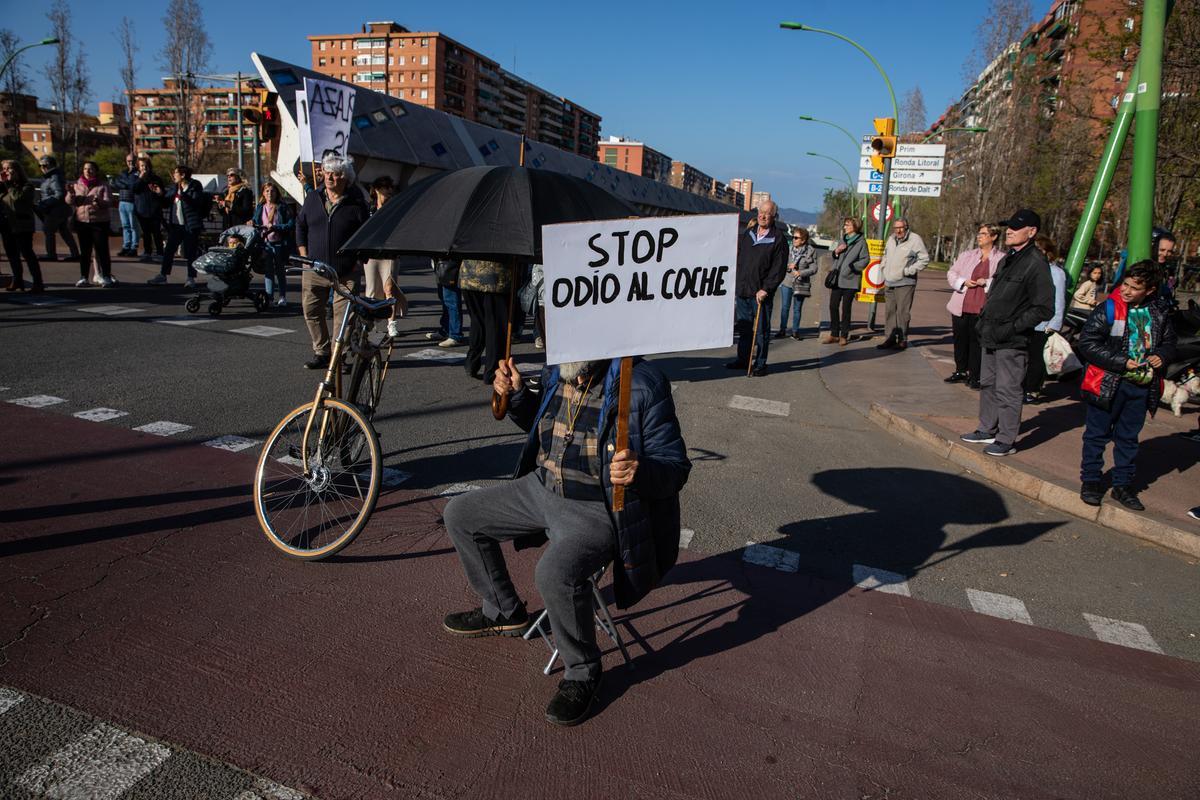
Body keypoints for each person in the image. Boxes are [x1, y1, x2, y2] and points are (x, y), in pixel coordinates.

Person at [442, 355, 691, 726]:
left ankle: (583, 671)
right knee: (460, 514)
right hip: (542, 488)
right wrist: (518, 396)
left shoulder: (641, 383)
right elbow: (544, 428)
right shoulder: (559, 368)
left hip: (596, 507)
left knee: (554, 572)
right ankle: (503, 611)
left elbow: (674, 467)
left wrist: (638, 469)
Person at [1077, 260, 1176, 511]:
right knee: (1096, 435)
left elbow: (1170, 342)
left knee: (1128, 438)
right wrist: (1122, 362)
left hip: (1140, 387)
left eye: (1134, 287)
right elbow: (1087, 343)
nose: (1127, 290)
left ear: (1150, 290)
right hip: (1107, 383)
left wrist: (1162, 355)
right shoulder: (1109, 307)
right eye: (1126, 284)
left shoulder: (1160, 311)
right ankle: (1090, 481)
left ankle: (1122, 485)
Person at [959, 209, 1055, 457]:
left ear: (1031, 232)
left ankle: (1006, 439)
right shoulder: (1008, 259)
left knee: (1008, 388)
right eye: (1008, 226)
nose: (1009, 231)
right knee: (988, 384)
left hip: (1012, 339)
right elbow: (995, 296)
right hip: (990, 333)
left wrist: (1013, 326)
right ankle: (986, 429)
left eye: (1015, 227)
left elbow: (1044, 307)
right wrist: (984, 322)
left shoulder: (1036, 262)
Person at [295, 154, 370, 370]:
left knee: (344, 317)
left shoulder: (356, 203)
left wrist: (359, 260)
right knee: (311, 311)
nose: (330, 178)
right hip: (314, 269)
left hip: (345, 271)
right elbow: (301, 226)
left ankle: (340, 356)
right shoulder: (313, 198)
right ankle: (322, 352)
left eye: (336, 174)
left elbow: (366, 233)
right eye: (327, 173)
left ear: (345, 178)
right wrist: (304, 255)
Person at [728, 201, 787, 376]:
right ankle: (743, 360)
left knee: (761, 331)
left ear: (773, 216)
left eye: (767, 213)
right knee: (745, 328)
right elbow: (739, 258)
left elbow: (778, 269)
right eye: (761, 212)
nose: (762, 216)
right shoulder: (749, 233)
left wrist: (766, 289)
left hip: (760, 294)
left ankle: (760, 363)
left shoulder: (778, 239)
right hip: (743, 290)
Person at [945, 223, 1003, 386]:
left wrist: (987, 282)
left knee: (977, 341)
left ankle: (975, 375)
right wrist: (963, 282)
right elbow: (951, 272)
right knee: (960, 339)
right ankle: (960, 370)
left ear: (994, 236)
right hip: (962, 304)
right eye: (979, 233)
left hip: (983, 306)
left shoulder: (1001, 258)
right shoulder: (967, 255)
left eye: (983, 234)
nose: (979, 236)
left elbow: (1002, 280)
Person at [1022, 235, 1068, 404]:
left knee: (1037, 358)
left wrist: (1054, 324)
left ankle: (1032, 389)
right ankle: (1022, 386)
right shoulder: (1028, 268)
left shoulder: (1056, 273)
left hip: (1043, 324)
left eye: (1039, 250)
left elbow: (1059, 300)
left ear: (1048, 252)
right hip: (1025, 320)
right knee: (1023, 357)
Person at [362, 175, 408, 335]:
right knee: (372, 291)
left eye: (390, 188)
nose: (388, 191)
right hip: (371, 254)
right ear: (376, 190)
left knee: (390, 288)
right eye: (385, 188)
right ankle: (372, 323)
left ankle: (392, 323)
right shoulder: (369, 209)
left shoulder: (396, 208)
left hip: (390, 254)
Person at [876, 217, 930, 351]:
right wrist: (884, 266)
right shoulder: (891, 239)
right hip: (889, 281)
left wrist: (907, 271)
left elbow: (924, 259)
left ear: (906, 227)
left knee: (902, 313)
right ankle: (889, 338)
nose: (898, 231)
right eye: (896, 228)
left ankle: (902, 339)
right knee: (889, 312)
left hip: (905, 282)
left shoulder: (915, 239)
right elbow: (886, 255)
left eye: (901, 228)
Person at [147, 165, 206, 288]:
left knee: (190, 253)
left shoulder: (195, 186)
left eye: (176, 173)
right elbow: (165, 203)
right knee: (169, 251)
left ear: (183, 175)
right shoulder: (174, 188)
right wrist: (159, 194)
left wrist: (183, 195)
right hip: (176, 226)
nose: (174, 175)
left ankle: (191, 278)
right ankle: (163, 275)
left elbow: (196, 203)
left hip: (190, 225)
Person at [459, 259, 511, 382]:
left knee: (477, 322)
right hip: (495, 278)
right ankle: (492, 371)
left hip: (468, 275)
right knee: (495, 326)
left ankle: (471, 362)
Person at [66, 161, 116, 288]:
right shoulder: (77, 185)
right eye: (85, 169)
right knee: (85, 251)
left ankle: (106, 276)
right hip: (82, 222)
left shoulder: (103, 185)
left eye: (91, 169)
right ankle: (84, 277)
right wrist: (71, 194)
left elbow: (109, 201)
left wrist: (99, 202)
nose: (87, 171)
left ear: (96, 171)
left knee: (102, 250)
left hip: (99, 222)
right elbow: (69, 201)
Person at [0, 160, 45, 293]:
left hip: (22, 225)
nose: (6, 171)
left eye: (9, 168)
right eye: (4, 168)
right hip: (6, 224)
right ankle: (17, 280)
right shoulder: (3, 186)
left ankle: (38, 282)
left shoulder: (27, 186)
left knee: (27, 253)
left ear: (17, 171)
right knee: (12, 254)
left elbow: (17, 198)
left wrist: (8, 184)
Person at [822, 217, 868, 346]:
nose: (844, 227)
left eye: (847, 225)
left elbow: (865, 259)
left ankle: (844, 335)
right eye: (845, 225)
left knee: (846, 308)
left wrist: (852, 267)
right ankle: (834, 334)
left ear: (855, 226)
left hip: (851, 280)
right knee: (833, 306)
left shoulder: (861, 242)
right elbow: (835, 256)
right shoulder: (843, 239)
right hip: (837, 279)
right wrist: (836, 252)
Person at [255, 181, 295, 307]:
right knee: (268, 272)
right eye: (267, 191)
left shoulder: (282, 207)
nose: (269, 193)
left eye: (272, 191)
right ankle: (269, 297)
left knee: (280, 271)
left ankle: (282, 296)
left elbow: (290, 224)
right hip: (266, 244)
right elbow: (256, 222)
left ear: (277, 193)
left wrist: (276, 227)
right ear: (263, 193)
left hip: (279, 243)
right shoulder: (260, 207)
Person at [35, 156, 79, 262]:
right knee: (64, 231)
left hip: (54, 210)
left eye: (44, 165)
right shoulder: (52, 176)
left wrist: (44, 204)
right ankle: (75, 253)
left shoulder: (54, 177)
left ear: (51, 165)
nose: (42, 167)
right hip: (58, 209)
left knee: (48, 231)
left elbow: (59, 194)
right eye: (40, 165)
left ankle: (51, 254)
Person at [777, 228, 817, 340]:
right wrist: (788, 266)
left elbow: (814, 268)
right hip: (787, 281)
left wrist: (800, 272)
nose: (793, 239)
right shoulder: (788, 249)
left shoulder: (810, 251)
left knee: (797, 308)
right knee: (785, 307)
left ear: (803, 240)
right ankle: (782, 330)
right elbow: (780, 263)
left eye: (796, 237)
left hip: (801, 283)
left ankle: (795, 331)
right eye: (793, 237)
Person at [132, 155, 165, 263]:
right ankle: (147, 252)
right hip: (142, 210)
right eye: (141, 166)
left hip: (155, 210)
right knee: (146, 233)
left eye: (145, 166)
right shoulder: (136, 179)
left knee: (156, 232)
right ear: (138, 167)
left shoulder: (156, 179)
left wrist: (159, 192)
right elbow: (134, 189)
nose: (144, 168)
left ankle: (160, 252)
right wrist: (141, 178)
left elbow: (162, 193)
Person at [428, 257, 467, 347]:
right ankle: (446, 330)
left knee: (451, 300)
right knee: (444, 299)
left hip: (449, 262)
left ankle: (455, 335)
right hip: (440, 262)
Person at [111, 153, 140, 257]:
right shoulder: (123, 172)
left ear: (136, 161)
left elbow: (133, 185)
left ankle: (134, 247)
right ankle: (126, 246)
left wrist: (125, 183)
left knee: (133, 226)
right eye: (128, 161)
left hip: (132, 202)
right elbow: (115, 183)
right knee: (125, 226)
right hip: (122, 201)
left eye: (132, 161)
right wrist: (126, 184)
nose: (130, 163)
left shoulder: (138, 173)